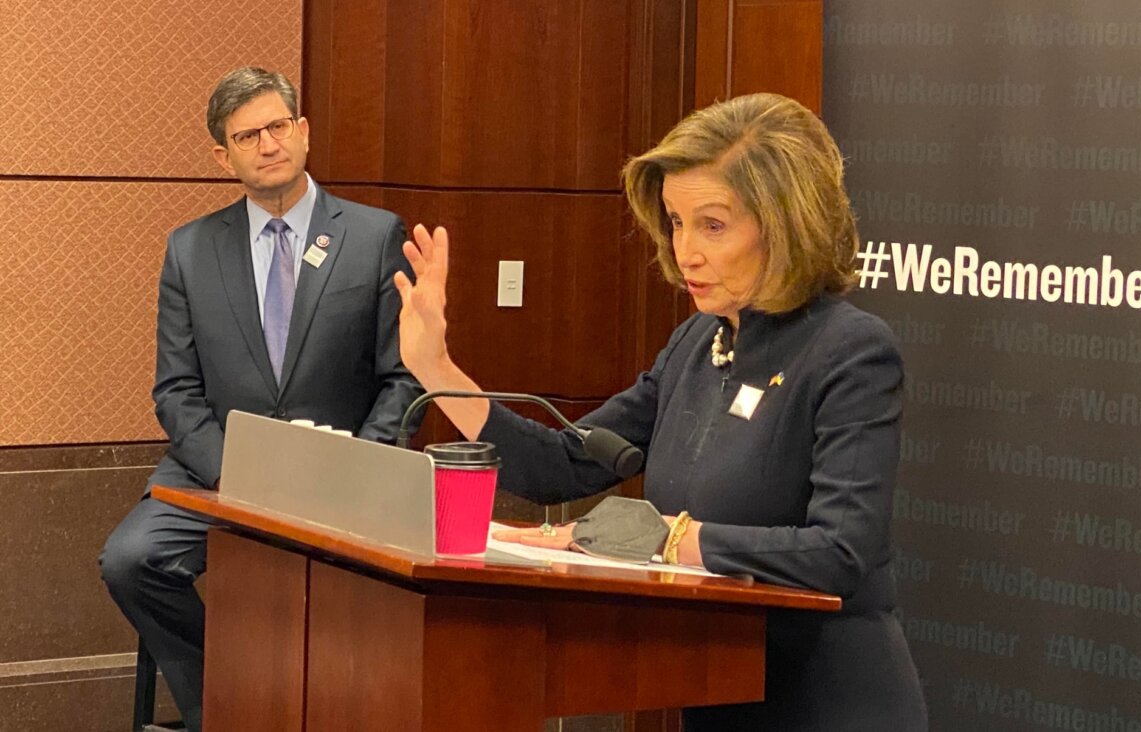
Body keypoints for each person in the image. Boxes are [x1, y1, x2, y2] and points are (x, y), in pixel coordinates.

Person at [394, 93, 927, 731]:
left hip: (826, 701)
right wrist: (438, 370)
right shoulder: (696, 343)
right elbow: (563, 466)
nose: (685, 252)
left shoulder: (851, 351)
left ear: (786, 224)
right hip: (716, 691)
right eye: (676, 222)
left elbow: (840, 551)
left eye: (713, 225)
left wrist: (669, 539)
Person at [98, 67, 419, 732]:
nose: (267, 144)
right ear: (225, 155)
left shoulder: (375, 234)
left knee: (378, 596)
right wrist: (234, 475)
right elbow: (176, 390)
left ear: (303, 133)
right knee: (131, 562)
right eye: (248, 135)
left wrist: (360, 464)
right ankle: (230, 707)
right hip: (221, 476)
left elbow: (405, 378)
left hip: (342, 478)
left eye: (278, 127)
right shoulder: (190, 249)